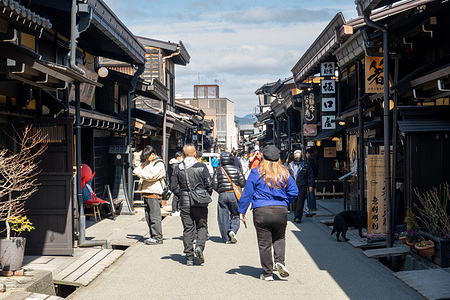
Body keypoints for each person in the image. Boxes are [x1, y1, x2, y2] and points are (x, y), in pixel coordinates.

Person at [238, 145, 298, 281]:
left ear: (263, 157)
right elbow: (294, 191)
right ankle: (280, 262)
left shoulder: (255, 172)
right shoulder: (284, 172)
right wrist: (284, 202)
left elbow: (247, 193)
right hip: (280, 210)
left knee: (264, 243)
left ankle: (268, 273)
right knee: (280, 238)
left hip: (261, 210)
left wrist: (242, 210)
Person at [170, 144, 212, 266]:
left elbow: (172, 186)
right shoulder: (202, 166)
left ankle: (189, 257)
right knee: (202, 226)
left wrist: (182, 194)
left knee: (188, 228)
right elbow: (209, 184)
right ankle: (199, 247)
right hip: (200, 201)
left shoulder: (178, 168)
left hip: (185, 201)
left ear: (183, 155)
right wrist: (205, 194)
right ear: (195, 154)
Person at [133, 145, 166, 245]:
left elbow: (150, 176)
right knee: (148, 216)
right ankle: (153, 236)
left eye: (147, 157)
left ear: (153, 154)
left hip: (154, 192)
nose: (146, 159)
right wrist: (137, 156)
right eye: (145, 158)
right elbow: (137, 166)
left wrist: (139, 172)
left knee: (155, 216)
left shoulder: (159, 164)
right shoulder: (147, 163)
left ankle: (158, 237)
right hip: (146, 192)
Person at [212, 151, 246, 244]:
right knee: (235, 214)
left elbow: (214, 184)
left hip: (222, 194)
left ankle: (226, 238)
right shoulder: (236, 169)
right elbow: (243, 183)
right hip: (234, 195)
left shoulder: (218, 170)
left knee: (222, 217)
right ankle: (233, 230)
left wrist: (220, 190)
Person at [287, 150, 314, 223]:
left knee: (300, 201)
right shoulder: (291, 165)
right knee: (294, 202)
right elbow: (287, 175)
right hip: (292, 186)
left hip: (302, 185)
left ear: (301, 156)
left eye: (299, 157)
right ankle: (296, 216)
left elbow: (311, 176)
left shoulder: (306, 165)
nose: (297, 158)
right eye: (296, 157)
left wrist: (311, 185)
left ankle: (299, 217)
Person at [169, 151, 183, 216]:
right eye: (181, 157)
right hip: (176, 183)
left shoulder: (173, 164)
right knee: (176, 197)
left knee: (176, 197)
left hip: (174, 182)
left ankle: (176, 209)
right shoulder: (175, 165)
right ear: (178, 157)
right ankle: (175, 210)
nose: (182, 158)